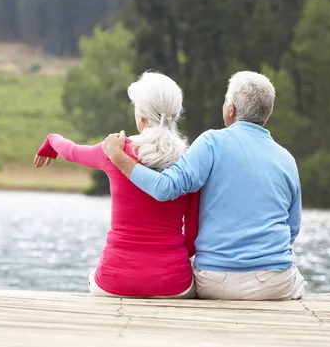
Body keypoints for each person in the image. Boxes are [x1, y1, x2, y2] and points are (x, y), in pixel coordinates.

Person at [102, 71, 304, 301]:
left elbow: (163, 188)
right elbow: (293, 228)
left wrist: (117, 156)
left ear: (231, 109)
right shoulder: (287, 159)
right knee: (297, 281)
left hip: (215, 281)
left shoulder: (211, 143)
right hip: (273, 282)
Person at [33, 71, 199, 298]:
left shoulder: (114, 150)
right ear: (176, 115)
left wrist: (51, 140)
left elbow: (70, 151)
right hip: (173, 285)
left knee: (93, 276)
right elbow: (192, 238)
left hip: (113, 282)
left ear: (141, 119)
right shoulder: (191, 161)